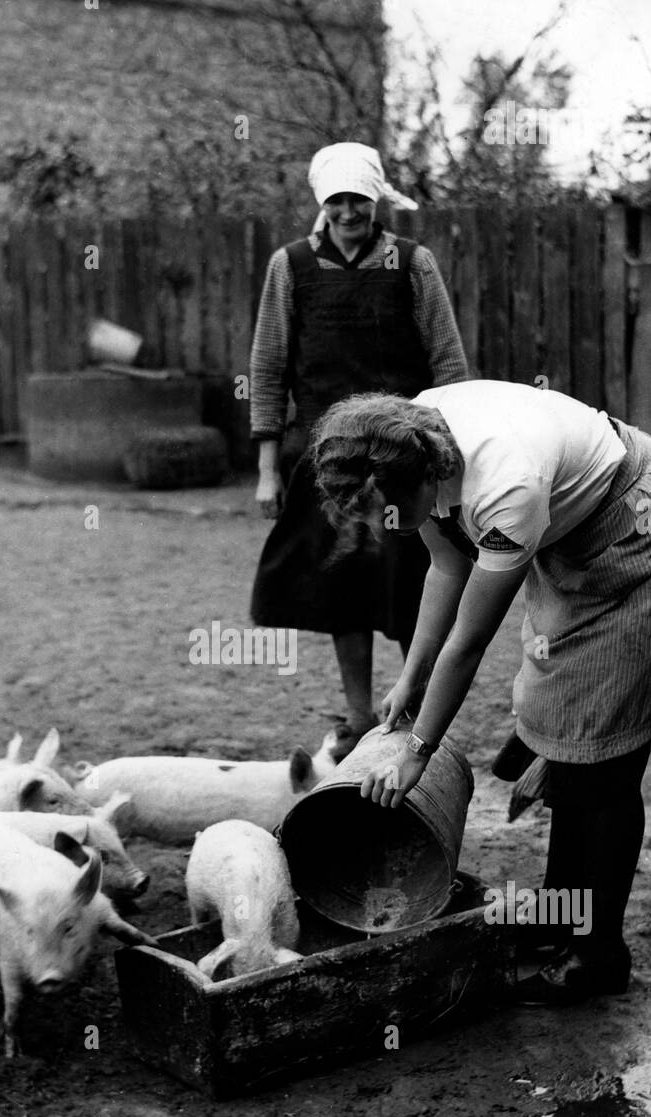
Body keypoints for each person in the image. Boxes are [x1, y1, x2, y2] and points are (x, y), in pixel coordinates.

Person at [310, 381, 651, 1004]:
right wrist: (409, 678)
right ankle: (559, 912)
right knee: (563, 721)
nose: (382, 525)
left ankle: (598, 955)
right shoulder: (411, 437)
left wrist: (418, 748)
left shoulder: (503, 487)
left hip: (648, 531)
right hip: (577, 535)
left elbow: (469, 644)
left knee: (602, 748)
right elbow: (446, 568)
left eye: (383, 509)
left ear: (420, 480)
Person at [249, 142, 468, 760]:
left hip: (402, 457)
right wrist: (268, 469)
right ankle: (356, 713)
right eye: (338, 201)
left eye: (359, 200)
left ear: (375, 202)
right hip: (327, 461)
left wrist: (448, 451)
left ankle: (418, 709)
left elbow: (448, 361)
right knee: (343, 583)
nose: (349, 212)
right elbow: (267, 367)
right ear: (323, 204)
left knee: (410, 581)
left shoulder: (412, 263)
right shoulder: (289, 266)